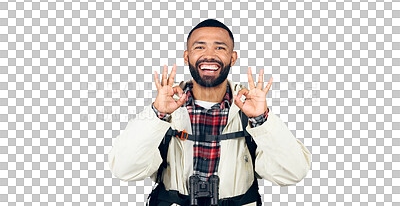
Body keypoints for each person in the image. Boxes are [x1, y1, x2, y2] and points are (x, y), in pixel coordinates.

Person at [108, 19, 311, 205]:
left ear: (232, 58)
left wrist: (261, 119)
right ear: (187, 57)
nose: (210, 55)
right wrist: (158, 114)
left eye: (220, 47)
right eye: (199, 47)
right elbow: (125, 170)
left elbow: (292, 174)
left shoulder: (249, 112)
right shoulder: (166, 111)